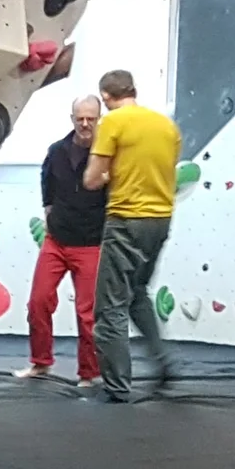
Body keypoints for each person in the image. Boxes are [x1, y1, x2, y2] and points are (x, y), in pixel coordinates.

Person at [82, 70, 182, 401]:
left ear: (106, 97)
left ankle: (116, 388)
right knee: (138, 293)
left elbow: (92, 180)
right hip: (160, 220)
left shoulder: (114, 122)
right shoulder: (166, 126)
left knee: (110, 306)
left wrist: (109, 171)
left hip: (126, 220)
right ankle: (163, 362)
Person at [16, 95, 108, 386]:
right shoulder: (56, 151)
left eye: (90, 119)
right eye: (79, 118)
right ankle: (41, 362)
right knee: (38, 303)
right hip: (56, 241)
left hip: (91, 243)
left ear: (99, 119)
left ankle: (89, 373)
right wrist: (49, 216)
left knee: (87, 314)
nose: (84, 124)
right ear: (72, 119)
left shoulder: (108, 155)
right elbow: (47, 185)